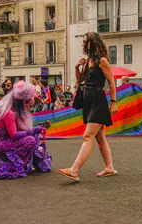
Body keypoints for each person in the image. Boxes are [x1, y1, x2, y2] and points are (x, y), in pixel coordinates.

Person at [57, 32, 117, 181]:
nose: (83, 44)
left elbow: (111, 82)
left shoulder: (102, 61)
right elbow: (81, 80)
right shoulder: (87, 61)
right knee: (100, 137)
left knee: (87, 136)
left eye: (85, 42)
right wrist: (77, 67)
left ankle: (74, 170)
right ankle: (109, 167)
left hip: (97, 99)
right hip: (88, 99)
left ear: (93, 43)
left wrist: (114, 103)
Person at [0, 81, 45, 179]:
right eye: (30, 106)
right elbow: (14, 135)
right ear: (22, 102)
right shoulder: (9, 113)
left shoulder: (13, 111)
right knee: (30, 140)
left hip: (4, 141)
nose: (30, 109)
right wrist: (33, 130)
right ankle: (9, 162)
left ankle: (11, 160)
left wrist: (35, 130)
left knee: (32, 138)